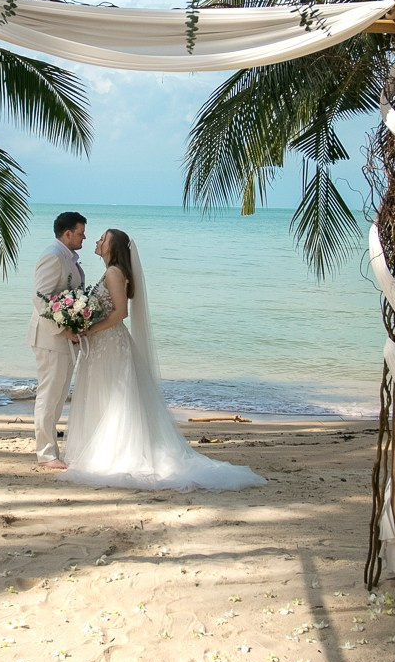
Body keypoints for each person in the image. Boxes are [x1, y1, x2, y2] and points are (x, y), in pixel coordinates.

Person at [61, 228, 263, 492]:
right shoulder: (111, 272)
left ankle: (111, 452)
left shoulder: (113, 273)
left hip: (110, 344)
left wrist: (90, 329)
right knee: (106, 395)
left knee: (113, 398)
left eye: (103, 239)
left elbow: (121, 313)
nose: (97, 241)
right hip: (105, 344)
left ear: (113, 247)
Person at [28, 210, 86, 469]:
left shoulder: (68, 257)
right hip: (50, 339)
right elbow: (40, 299)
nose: (84, 238)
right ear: (68, 233)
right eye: (81, 233)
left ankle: (52, 450)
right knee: (49, 395)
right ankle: (46, 454)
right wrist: (63, 330)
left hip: (64, 339)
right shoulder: (53, 256)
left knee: (59, 396)